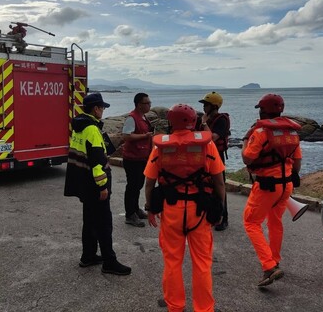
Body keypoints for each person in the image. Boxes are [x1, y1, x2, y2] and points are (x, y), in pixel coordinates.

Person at [144, 104, 225, 312]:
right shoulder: (207, 146)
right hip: (200, 211)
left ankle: (175, 307)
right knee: (202, 264)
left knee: (172, 262)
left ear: (171, 121)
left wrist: (151, 209)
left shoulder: (160, 147)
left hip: (171, 211)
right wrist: (219, 210)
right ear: (194, 122)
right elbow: (219, 183)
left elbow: (149, 183)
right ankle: (204, 308)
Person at [64, 92, 131, 276]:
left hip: (84, 183)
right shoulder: (92, 129)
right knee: (103, 223)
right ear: (96, 109)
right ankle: (109, 261)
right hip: (94, 184)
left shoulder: (80, 126)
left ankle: (88, 256)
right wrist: (102, 187)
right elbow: (97, 162)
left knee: (90, 220)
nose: (103, 111)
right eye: (102, 108)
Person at [241, 94, 302, 287]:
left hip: (267, 184)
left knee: (251, 222)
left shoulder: (261, 132)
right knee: (275, 222)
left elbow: (247, 159)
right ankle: (274, 259)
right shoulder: (292, 132)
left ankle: (269, 267)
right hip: (286, 185)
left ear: (264, 110)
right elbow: (297, 163)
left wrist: (245, 140)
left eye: (260, 108)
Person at [198, 92, 231, 231]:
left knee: (219, 186)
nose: (204, 107)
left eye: (206, 105)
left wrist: (204, 123)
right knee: (204, 185)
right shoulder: (205, 119)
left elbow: (212, 138)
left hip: (217, 156)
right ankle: (208, 213)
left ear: (214, 106)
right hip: (204, 156)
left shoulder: (221, 120)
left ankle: (223, 217)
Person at [122, 92, 154, 228]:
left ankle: (135, 209)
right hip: (132, 158)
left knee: (138, 185)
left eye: (149, 103)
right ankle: (130, 214)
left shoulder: (143, 117)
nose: (149, 105)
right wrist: (144, 136)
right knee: (132, 186)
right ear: (139, 105)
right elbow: (126, 136)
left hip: (141, 157)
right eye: (146, 103)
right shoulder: (132, 118)